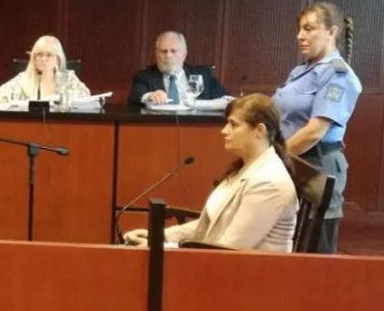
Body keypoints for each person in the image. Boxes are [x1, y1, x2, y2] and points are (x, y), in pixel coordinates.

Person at [124, 94, 299, 251]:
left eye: (233, 125)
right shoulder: (247, 167)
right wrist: (159, 236)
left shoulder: (269, 183)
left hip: (248, 273)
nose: (224, 131)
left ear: (259, 131)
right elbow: (211, 225)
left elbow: (229, 250)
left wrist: (161, 248)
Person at [272, 2, 361, 253]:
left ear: (331, 32)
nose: (300, 36)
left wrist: (272, 158)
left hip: (316, 167)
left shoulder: (339, 76)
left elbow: (314, 132)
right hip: (292, 164)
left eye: (309, 29)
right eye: (300, 29)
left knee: (314, 252)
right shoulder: (302, 70)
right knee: (286, 247)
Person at [127, 31, 229, 106]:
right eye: (163, 51)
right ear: (156, 54)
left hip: (197, 126)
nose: (168, 56)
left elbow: (226, 99)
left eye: (173, 51)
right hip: (160, 125)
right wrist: (150, 96)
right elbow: (135, 97)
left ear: (184, 54)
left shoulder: (203, 75)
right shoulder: (145, 76)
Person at [0, 35, 91, 103]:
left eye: (49, 55)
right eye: (39, 55)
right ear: (33, 58)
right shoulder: (23, 78)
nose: (43, 59)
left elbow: (86, 98)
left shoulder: (68, 78)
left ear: (57, 60)